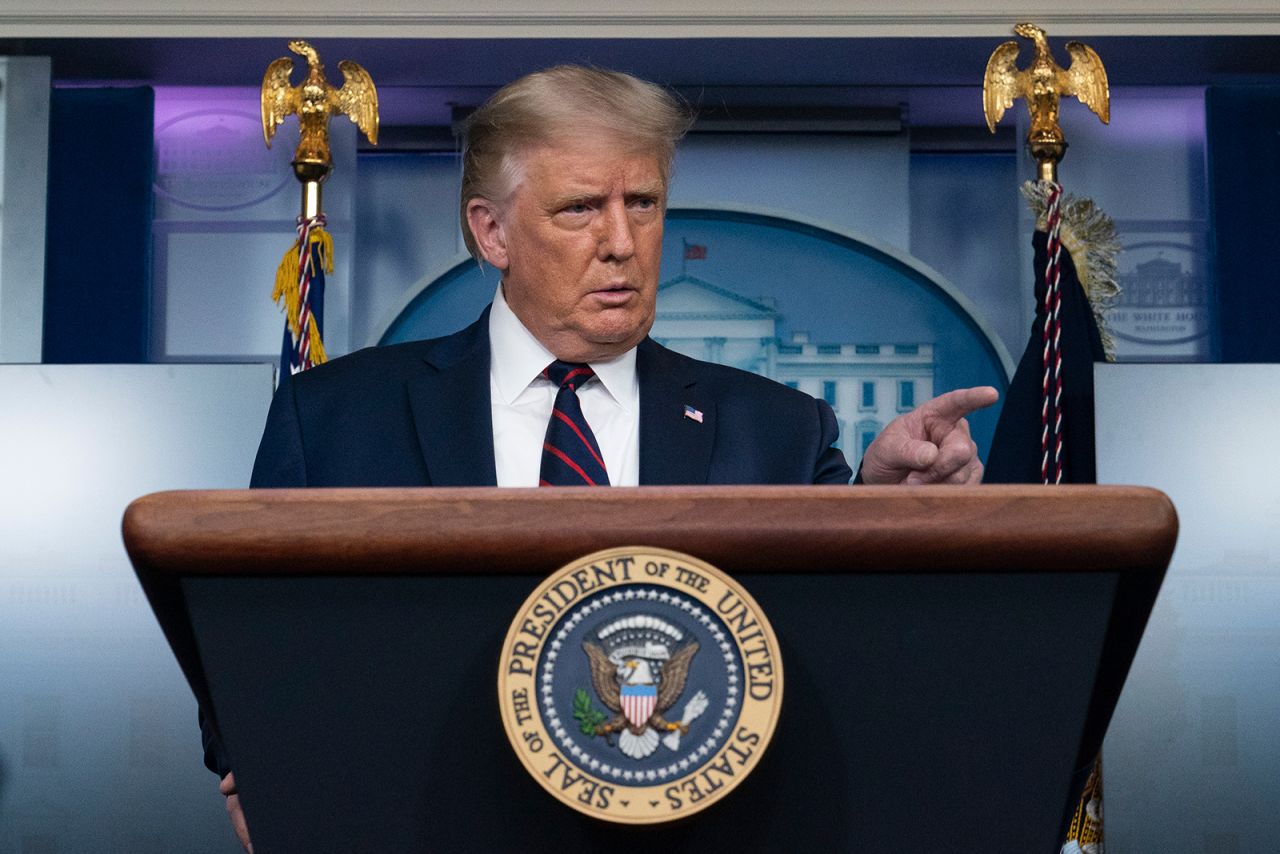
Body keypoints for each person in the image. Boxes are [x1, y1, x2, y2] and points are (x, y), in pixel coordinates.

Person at [212, 64, 997, 850]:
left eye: (643, 204)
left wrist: (886, 506)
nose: (621, 243)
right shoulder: (337, 419)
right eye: (581, 208)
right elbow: (246, 636)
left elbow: (849, 659)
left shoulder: (777, 429)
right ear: (492, 232)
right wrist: (266, 767)